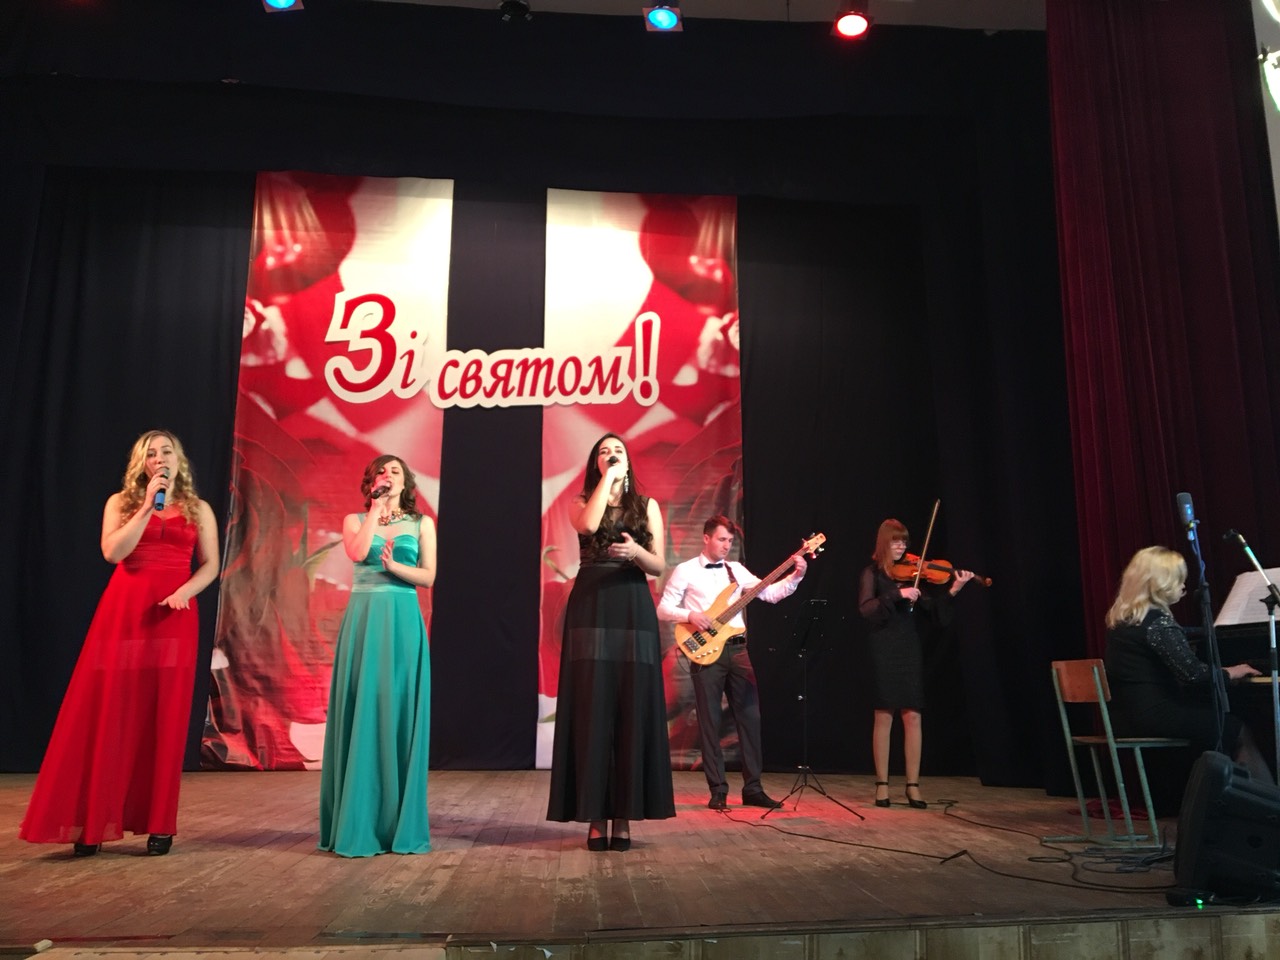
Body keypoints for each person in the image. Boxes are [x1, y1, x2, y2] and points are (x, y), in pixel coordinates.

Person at [20, 430, 220, 857]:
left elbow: (211, 565)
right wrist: (147, 507)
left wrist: (186, 591)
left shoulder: (199, 508)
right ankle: (93, 822)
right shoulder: (121, 503)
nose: (159, 458)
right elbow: (114, 553)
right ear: (141, 464)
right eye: (151, 454)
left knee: (161, 717)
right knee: (112, 711)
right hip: (125, 613)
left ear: (179, 459)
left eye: (166, 452)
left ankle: (159, 823)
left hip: (174, 617)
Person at [547, 433, 675, 851]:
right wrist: (608, 479)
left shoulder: (647, 506)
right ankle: (595, 818)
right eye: (604, 452)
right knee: (593, 705)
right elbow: (587, 526)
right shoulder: (581, 501)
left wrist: (636, 551)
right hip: (592, 604)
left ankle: (623, 817)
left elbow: (658, 566)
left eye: (617, 450)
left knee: (629, 705)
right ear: (595, 464)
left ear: (629, 460)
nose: (612, 455)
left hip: (632, 604)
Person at [319, 454, 436, 857]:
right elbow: (356, 553)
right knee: (363, 708)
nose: (388, 475)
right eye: (381, 472)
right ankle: (358, 820)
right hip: (365, 618)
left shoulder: (422, 524)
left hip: (402, 618)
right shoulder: (355, 519)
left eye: (395, 471)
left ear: (406, 482)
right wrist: (375, 509)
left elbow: (428, 576)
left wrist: (395, 568)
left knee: (396, 712)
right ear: (372, 482)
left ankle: (396, 823)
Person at [657, 516, 807, 810]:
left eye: (729, 541)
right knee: (710, 722)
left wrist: (796, 576)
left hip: (738, 650)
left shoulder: (736, 570)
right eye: (721, 539)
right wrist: (690, 616)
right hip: (704, 652)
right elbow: (663, 609)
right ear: (706, 538)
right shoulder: (685, 570)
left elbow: (770, 594)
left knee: (750, 718)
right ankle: (718, 790)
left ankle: (753, 789)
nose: (726, 546)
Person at [1104, 546, 1269, 781]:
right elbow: (1193, 675)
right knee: (1237, 730)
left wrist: (1215, 656)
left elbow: (1180, 651)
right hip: (1155, 717)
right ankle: (1266, 800)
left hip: (1125, 717)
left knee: (1216, 722)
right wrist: (1232, 672)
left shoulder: (1126, 620)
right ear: (1161, 583)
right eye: (1178, 579)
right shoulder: (1159, 624)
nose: (1183, 586)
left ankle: (1222, 795)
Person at [858, 519, 974, 809]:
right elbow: (866, 608)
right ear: (884, 543)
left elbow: (935, 614)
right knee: (884, 715)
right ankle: (882, 785)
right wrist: (896, 594)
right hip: (883, 647)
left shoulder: (914, 576)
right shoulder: (872, 573)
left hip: (908, 647)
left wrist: (954, 589)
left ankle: (913, 785)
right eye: (896, 541)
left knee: (913, 715)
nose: (901, 547)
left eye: (904, 542)